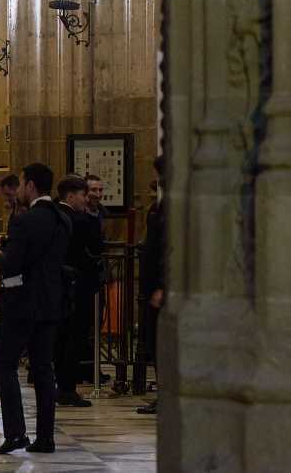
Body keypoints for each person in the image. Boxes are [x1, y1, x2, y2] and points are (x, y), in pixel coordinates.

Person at [0, 163, 70, 455]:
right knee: (44, 370)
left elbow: (14, 263)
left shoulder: (26, 220)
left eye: (22, 183)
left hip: (21, 303)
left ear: (31, 186)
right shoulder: (62, 219)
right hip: (49, 303)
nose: (20, 189)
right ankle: (46, 437)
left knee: (6, 365)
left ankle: (16, 433)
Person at [54, 174, 104, 407]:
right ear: (71, 195)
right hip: (78, 285)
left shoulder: (51, 214)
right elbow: (96, 246)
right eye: (85, 195)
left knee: (59, 337)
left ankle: (57, 384)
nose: (88, 199)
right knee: (74, 337)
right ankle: (67, 388)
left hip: (55, 284)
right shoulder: (81, 220)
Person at [137, 157, 165, 415]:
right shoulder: (160, 206)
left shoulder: (171, 208)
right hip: (153, 286)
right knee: (153, 343)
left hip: (162, 288)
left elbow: (171, 249)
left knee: (161, 343)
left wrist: (163, 285)